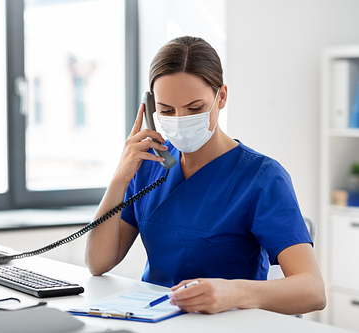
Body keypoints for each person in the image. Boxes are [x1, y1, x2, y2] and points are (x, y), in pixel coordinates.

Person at [85, 36, 326, 315]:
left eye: (195, 108)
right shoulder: (150, 165)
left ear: (221, 96)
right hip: (152, 319)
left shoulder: (262, 178)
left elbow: (313, 291)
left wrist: (234, 292)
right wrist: (119, 177)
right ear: (151, 109)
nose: (180, 119)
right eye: (166, 111)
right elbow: (97, 262)